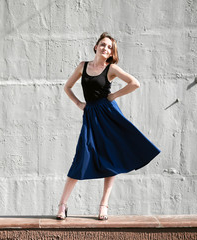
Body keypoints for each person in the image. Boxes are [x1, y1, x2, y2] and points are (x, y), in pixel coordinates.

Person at [56, 32, 161, 220]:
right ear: (96, 46)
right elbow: (67, 87)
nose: (106, 48)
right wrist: (79, 104)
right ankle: (62, 205)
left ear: (112, 53)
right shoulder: (83, 66)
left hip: (109, 115)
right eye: (103, 45)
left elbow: (134, 83)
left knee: (111, 158)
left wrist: (114, 96)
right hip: (91, 116)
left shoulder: (111, 68)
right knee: (82, 156)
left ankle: (104, 204)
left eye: (110, 47)